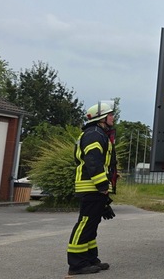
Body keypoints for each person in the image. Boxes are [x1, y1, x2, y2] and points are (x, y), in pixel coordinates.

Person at [67, 101, 118, 275]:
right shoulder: (95, 134)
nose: (113, 117)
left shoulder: (97, 133)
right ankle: (76, 264)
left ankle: (89, 259)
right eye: (110, 115)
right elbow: (93, 161)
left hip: (93, 187)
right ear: (101, 118)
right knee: (85, 223)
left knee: (91, 225)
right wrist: (102, 185)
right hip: (91, 187)